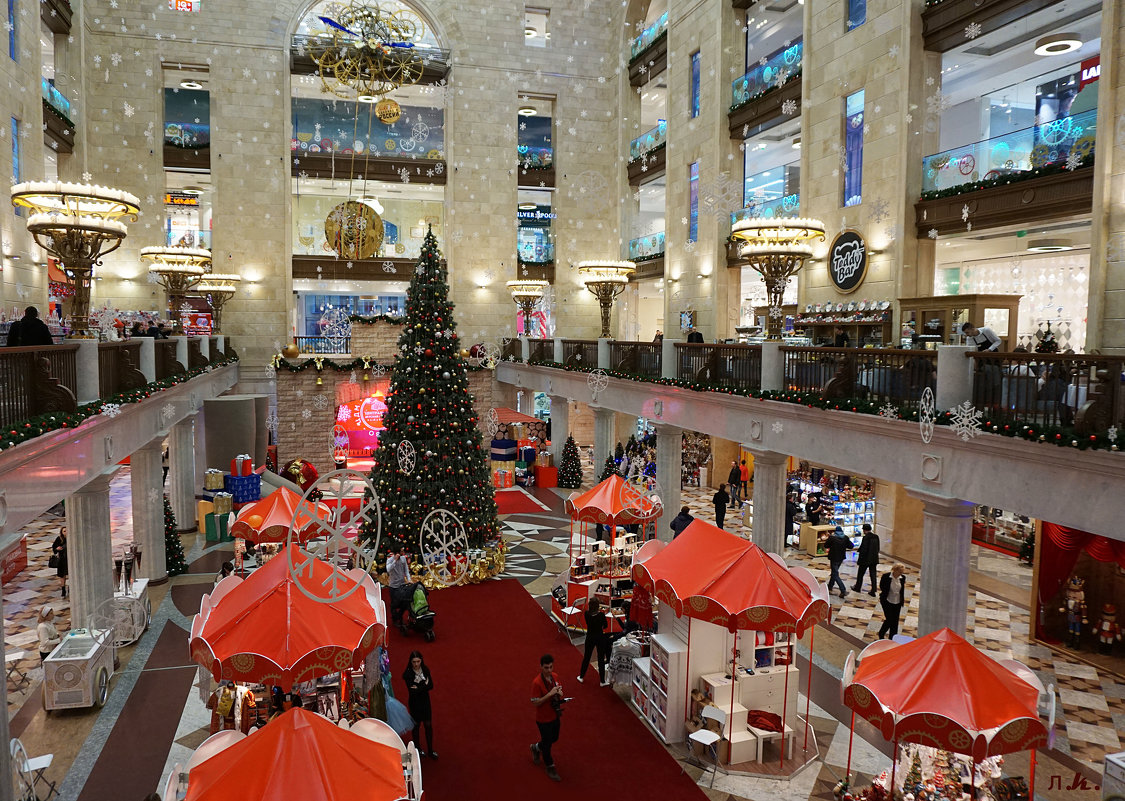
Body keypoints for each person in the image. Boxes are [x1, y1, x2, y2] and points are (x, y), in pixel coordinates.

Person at [530, 653, 564, 782]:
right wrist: (549, 694)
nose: (549, 670)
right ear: (541, 667)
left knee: (554, 738)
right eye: (546, 668)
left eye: (551, 667)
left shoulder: (554, 677)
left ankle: (536, 747)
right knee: (548, 743)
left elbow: (558, 689)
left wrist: (559, 692)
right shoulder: (536, 683)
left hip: (554, 715)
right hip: (543, 719)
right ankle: (550, 766)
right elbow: (535, 702)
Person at [403, 651, 437, 759]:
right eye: (414, 662)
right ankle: (418, 750)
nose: (416, 664)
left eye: (418, 661)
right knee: (416, 726)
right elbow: (412, 692)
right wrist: (424, 686)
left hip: (425, 702)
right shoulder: (408, 674)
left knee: (428, 725)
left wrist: (418, 688)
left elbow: (431, 685)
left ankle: (430, 750)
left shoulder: (425, 670)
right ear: (411, 662)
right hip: (415, 704)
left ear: (421, 660)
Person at [577, 598, 610, 687]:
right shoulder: (601, 615)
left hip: (590, 637)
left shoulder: (586, 614)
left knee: (587, 657)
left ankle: (581, 676)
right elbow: (606, 626)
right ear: (598, 606)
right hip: (600, 637)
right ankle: (602, 681)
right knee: (601, 658)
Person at [878, 563, 907, 639]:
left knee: (895, 621)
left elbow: (902, 589)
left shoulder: (903, 578)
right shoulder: (886, 576)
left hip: (897, 601)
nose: (901, 573)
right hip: (887, 601)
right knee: (889, 619)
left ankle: (893, 637)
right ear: (895, 570)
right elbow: (882, 586)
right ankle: (881, 633)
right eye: (900, 572)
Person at [387, 546, 411, 628]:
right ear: (397, 553)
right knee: (394, 604)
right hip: (393, 586)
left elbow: (406, 571)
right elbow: (388, 569)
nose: (403, 552)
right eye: (401, 551)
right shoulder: (390, 560)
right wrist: (395, 560)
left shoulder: (403, 559)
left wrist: (409, 579)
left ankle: (399, 616)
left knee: (405, 603)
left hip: (402, 585)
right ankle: (395, 620)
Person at [852, 524, 879, 596]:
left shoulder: (866, 538)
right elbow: (878, 548)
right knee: (873, 574)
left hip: (865, 560)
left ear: (864, 530)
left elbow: (863, 550)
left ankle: (857, 587)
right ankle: (873, 590)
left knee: (860, 574)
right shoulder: (876, 537)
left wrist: (859, 560)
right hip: (874, 559)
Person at [825, 525, 851, 598]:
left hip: (833, 557)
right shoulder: (845, 538)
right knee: (834, 572)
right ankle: (830, 586)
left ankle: (843, 590)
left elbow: (826, 545)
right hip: (841, 558)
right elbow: (851, 546)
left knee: (835, 574)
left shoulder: (832, 538)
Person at [52, 527, 68, 597]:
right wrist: (57, 549)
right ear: (62, 532)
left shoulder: (71, 538)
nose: (66, 532)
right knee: (62, 575)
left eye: (67, 531)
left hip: (69, 558)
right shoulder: (59, 539)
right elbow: (54, 548)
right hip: (62, 560)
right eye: (64, 531)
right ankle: (63, 589)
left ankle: (70, 588)